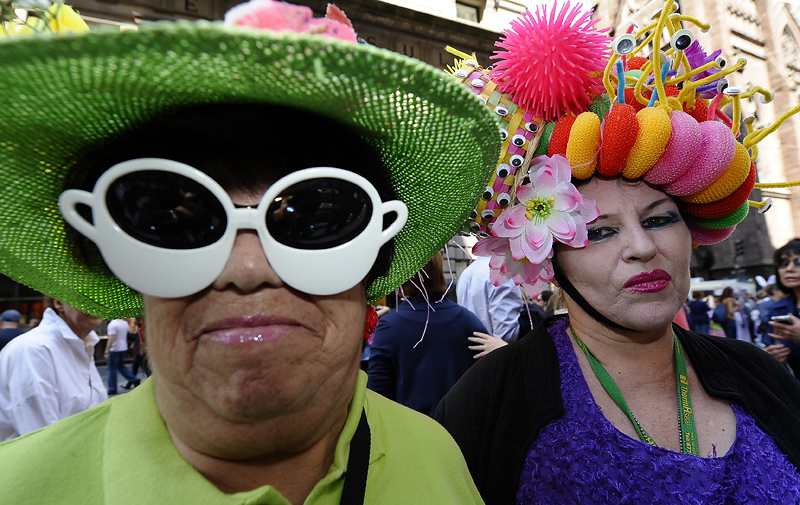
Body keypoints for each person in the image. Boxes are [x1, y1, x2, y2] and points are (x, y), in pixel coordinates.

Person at [0, 2, 499, 503]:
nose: (246, 268)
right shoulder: (19, 487)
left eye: (315, 218)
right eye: (177, 221)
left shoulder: (439, 457)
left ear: (375, 254)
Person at [436, 2, 800, 503]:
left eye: (659, 219)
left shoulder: (762, 375)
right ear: (549, 257)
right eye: (601, 231)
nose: (643, 247)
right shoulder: (488, 402)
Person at [367, 252, 486, 416]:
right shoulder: (468, 321)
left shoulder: (390, 327)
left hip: (410, 433)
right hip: (461, 433)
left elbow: (377, 397)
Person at [0, 299, 107, 441]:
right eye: (86, 295)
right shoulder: (34, 349)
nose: (96, 302)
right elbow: (42, 437)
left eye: (100, 295)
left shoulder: (83, 345)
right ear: (59, 303)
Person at [456, 255, 524, 342]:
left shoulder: (466, 273)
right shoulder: (501, 272)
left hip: (473, 349)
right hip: (496, 352)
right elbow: (506, 336)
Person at [759, 239, 800, 376]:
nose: (789, 269)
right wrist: (770, 356)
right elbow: (769, 343)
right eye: (784, 263)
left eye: (798, 261)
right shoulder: (777, 309)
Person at [104, 318, 140, 394]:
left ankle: (112, 388)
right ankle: (133, 378)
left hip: (115, 349)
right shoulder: (124, 323)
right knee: (121, 366)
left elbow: (111, 338)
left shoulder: (112, 325)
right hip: (123, 347)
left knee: (112, 369)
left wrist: (107, 351)